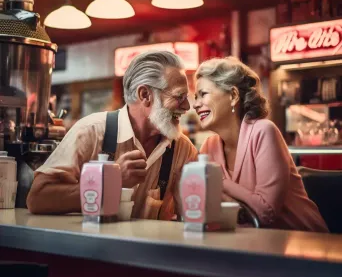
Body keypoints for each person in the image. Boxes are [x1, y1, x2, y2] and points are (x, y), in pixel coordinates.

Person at [27, 51, 198, 220]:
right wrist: (111, 183)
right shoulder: (90, 131)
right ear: (145, 95)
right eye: (179, 96)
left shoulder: (183, 150)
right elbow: (37, 198)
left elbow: (191, 217)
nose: (187, 106)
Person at [193, 56, 328, 232]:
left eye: (203, 94)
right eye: (195, 97)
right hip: (249, 243)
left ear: (233, 96)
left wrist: (218, 180)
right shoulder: (209, 147)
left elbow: (266, 213)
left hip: (302, 243)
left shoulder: (263, 131)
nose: (195, 104)